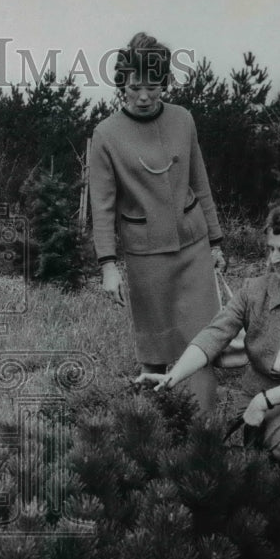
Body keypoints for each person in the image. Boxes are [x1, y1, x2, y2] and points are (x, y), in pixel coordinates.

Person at [136, 202, 280, 513]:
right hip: (252, 393)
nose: (273, 259)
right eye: (271, 249)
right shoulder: (254, 290)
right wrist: (174, 375)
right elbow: (214, 335)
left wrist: (266, 400)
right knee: (275, 448)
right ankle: (264, 480)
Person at [89, 32, 226, 415]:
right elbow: (102, 207)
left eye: (153, 86)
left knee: (201, 341)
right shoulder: (105, 135)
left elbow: (200, 182)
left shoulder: (184, 120)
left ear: (164, 84)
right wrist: (108, 266)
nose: (144, 96)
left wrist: (216, 242)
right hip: (145, 254)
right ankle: (153, 432)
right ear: (122, 85)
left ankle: (203, 434)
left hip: (194, 246)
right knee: (155, 345)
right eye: (135, 86)